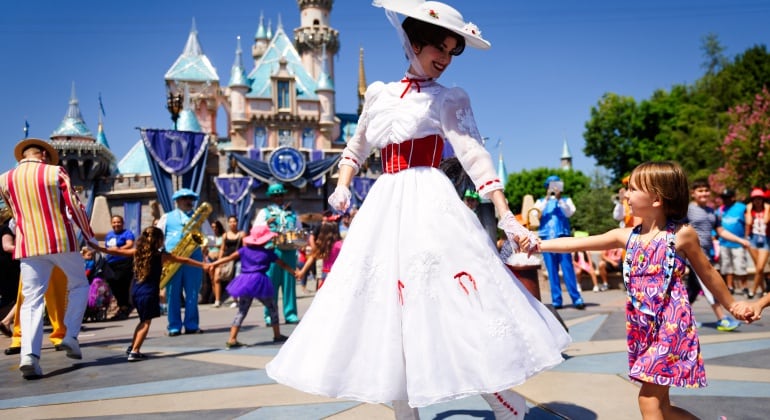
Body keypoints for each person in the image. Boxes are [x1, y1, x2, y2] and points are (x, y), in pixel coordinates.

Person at [266, 2, 571, 419]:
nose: (445, 60)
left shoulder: (448, 99)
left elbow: (475, 156)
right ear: (414, 43)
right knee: (386, 314)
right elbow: (356, 148)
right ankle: (403, 413)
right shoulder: (379, 94)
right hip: (384, 208)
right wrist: (341, 185)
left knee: (453, 305)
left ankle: (505, 402)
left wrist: (505, 215)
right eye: (439, 49)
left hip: (429, 203)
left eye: (451, 52)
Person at [533, 161, 752, 420]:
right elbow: (576, 242)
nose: (626, 194)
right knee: (663, 407)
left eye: (634, 189)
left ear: (656, 199)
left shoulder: (682, 235)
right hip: (643, 327)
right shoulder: (625, 236)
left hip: (671, 327)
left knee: (648, 400)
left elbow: (708, 273)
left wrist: (732, 305)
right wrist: (539, 244)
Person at [0, 137, 97, 379]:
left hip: (29, 245)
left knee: (32, 299)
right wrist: (90, 237)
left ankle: (29, 356)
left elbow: (14, 213)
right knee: (79, 285)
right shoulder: (55, 172)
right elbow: (75, 206)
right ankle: (70, 336)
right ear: (43, 155)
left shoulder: (4, 179)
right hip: (60, 240)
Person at [96, 227, 210, 361]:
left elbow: (117, 251)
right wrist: (202, 265)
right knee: (145, 323)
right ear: (159, 240)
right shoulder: (161, 256)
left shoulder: (138, 252)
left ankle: (132, 346)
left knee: (142, 321)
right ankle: (135, 351)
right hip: (149, 293)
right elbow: (184, 260)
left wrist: (97, 247)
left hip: (135, 292)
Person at [210, 225, 293, 349]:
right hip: (260, 281)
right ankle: (277, 334)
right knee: (272, 307)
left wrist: (213, 264)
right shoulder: (268, 253)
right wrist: (294, 272)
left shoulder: (244, 250)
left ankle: (232, 339)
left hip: (245, 281)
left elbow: (229, 257)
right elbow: (283, 264)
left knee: (242, 310)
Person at [687, 179, 750, 332]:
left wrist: (740, 240)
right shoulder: (687, 210)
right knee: (710, 287)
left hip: (707, 255)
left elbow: (720, 231)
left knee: (693, 291)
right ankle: (722, 319)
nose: (704, 193)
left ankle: (675, 316)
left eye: (706, 190)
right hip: (694, 256)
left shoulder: (712, 212)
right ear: (693, 193)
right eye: (700, 190)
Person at [155, 188, 209, 336]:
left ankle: (192, 324)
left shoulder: (200, 217)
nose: (188, 201)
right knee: (172, 294)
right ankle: (174, 326)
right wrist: (161, 253)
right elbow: (157, 236)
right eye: (185, 198)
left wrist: (205, 246)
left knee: (192, 293)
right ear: (177, 201)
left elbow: (208, 236)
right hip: (173, 259)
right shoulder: (167, 217)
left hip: (193, 259)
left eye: (190, 199)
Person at [534, 174, 585, 309]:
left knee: (568, 269)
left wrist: (559, 199)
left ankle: (576, 298)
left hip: (563, 238)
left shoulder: (566, 200)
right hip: (547, 240)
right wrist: (547, 198)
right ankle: (556, 300)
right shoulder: (540, 201)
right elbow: (535, 214)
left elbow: (569, 213)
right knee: (552, 271)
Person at [252, 183, 299, 324]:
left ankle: (290, 314)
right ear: (271, 197)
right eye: (275, 195)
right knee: (271, 284)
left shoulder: (292, 213)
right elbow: (255, 231)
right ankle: (269, 315)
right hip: (271, 251)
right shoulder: (264, 212)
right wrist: (267, 223)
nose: (278, 197)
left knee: (289, 284)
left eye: (280, 195)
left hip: (289, 250)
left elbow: (299, 230)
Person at [716, 188, 751, 295]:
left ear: (733, 197)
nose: (725, 200)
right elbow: (716, 224)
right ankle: (730, 287)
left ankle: (744, 287)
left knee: (740, 266)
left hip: (738, 243)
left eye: (727, 197)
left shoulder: (741, 207)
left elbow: (748, 223)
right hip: (724, 242)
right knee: (726, 266)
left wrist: (746, 237)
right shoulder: (720, 209)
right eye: (723, 198)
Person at [295, 221, 343, 290]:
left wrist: (302, 272)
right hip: (336, 273)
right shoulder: (339, 245)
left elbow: (312, 257)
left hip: (325, 272)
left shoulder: (323, 245)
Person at [104, 215, 135, 320]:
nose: (116, 224)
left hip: (124, 262)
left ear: (122, 223)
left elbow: (130, 244)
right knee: (112, 283)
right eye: (114, 222)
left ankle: (124, 307)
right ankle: (122, 305)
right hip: (111, 263)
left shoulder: (127, 233)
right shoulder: (109, 235)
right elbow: (107, 247)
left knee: (123, 285)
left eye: (118, 222)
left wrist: (118, 249)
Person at [745, 187, 769, 298]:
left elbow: (766, 221)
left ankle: (752, 291)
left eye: (760, 198)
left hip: (765, 239)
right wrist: (749, 210)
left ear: (763, 199)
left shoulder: (767, 209)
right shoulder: (750, 210)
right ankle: (764, 289)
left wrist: (767, 209)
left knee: (760, 268)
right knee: (758, 267)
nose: (757, 201)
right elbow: (749, 222)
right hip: (753, 239)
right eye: (755, 199)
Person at [216, 216, 244, 307]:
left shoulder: (242, 234)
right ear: (228, 223)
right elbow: (222, 249)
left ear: (237, 223)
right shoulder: (225, 235)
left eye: (234, 221)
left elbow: (245, 248)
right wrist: (219, 261)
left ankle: (236, 299)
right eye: (231, 222)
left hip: (239, 259)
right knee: (228, 278)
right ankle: (232, 299)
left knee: (237, 277)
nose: (233, 224)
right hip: (228, 259)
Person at [204, 219, 224, 306]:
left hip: (218, 259)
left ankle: (217, 298)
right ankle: (215, 297)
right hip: (210, 259)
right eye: (212, 227)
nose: (214, 229)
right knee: (212, 280)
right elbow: (204, 250)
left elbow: (224, 248)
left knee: (217, 279)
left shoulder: (222, 237)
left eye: (216, 227)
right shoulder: (209, 238)